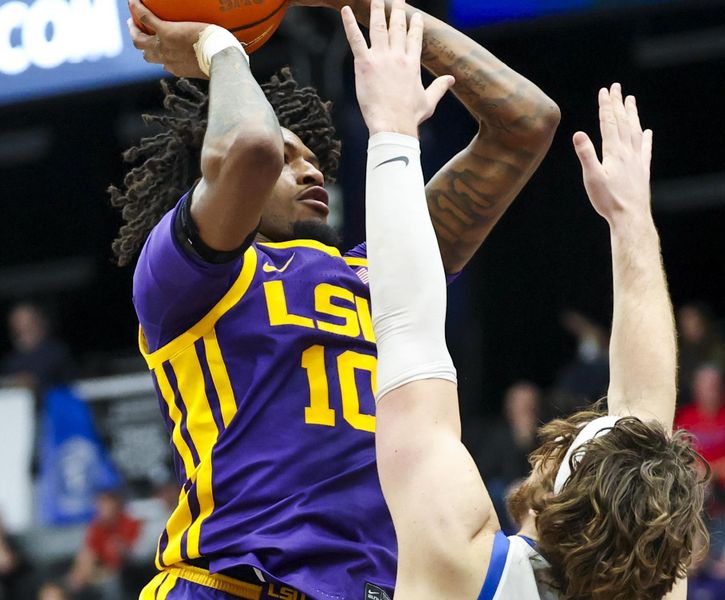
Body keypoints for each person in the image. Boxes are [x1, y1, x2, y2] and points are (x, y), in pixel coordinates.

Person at [121, 0, 560, 596]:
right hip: (232, 584)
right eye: (289, 157)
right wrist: (219, 47)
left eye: (312, 159)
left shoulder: (383, 273)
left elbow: (527, 123)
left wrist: (376, 10)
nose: (309, 171)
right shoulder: (182, 278)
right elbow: (250, 145)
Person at [353, 13, 708, 592]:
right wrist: (631, 221)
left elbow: (407, 327)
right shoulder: (653, 580)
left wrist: (391, 131)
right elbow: (645, 408)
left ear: (556, 484)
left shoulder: (462, 559)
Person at [478, 380, 542, 531]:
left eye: (528, 404)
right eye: (520, 404)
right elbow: (485, 471)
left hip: (533, 488)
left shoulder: (543, 435)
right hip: (503, 494)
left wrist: (527, 441)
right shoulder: (497, 435)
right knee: (496, 490)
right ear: (509, 407)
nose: (524, 409)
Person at [67, 489, 141, 600]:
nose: (104, 509)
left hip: (127, 573)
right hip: (99, 571)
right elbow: (90, 552)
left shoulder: (130, 523)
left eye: (107, 505)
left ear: (117, 505)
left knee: (110, 583)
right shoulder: (96, 527)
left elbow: (133, 555)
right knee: (72, 580)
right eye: (101, 505)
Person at [675, 364, 725, 465]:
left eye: (717, 385)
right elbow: (678, 451)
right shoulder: (683, 415)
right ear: (696, 389)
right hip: (692, 474)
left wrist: (715, 470)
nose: (714, 391)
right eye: (708, 387)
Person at [1, 302, 75, 393]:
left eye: (27, 324)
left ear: (38, 323)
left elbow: (64, 382)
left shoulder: (56, 353)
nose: (22, 328)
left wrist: (30, 382)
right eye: (17, 324)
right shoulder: (11, 360)